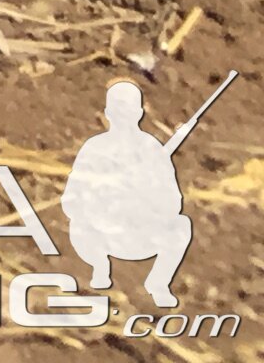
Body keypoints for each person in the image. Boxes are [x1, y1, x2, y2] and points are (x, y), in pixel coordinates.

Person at [64, 80, 194, 307]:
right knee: (79, 224)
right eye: (118, 108)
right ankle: (99, 268)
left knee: (181, 226)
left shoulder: (153, 150)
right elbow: (71, 197)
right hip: (101, 234)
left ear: (139, 112)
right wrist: (101, 199)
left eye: (129, 108)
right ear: (107, 113)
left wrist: (146, 196)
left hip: (141, 233)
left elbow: (173, 202)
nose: (123, 114)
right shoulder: (94, 147)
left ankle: (158, 283)